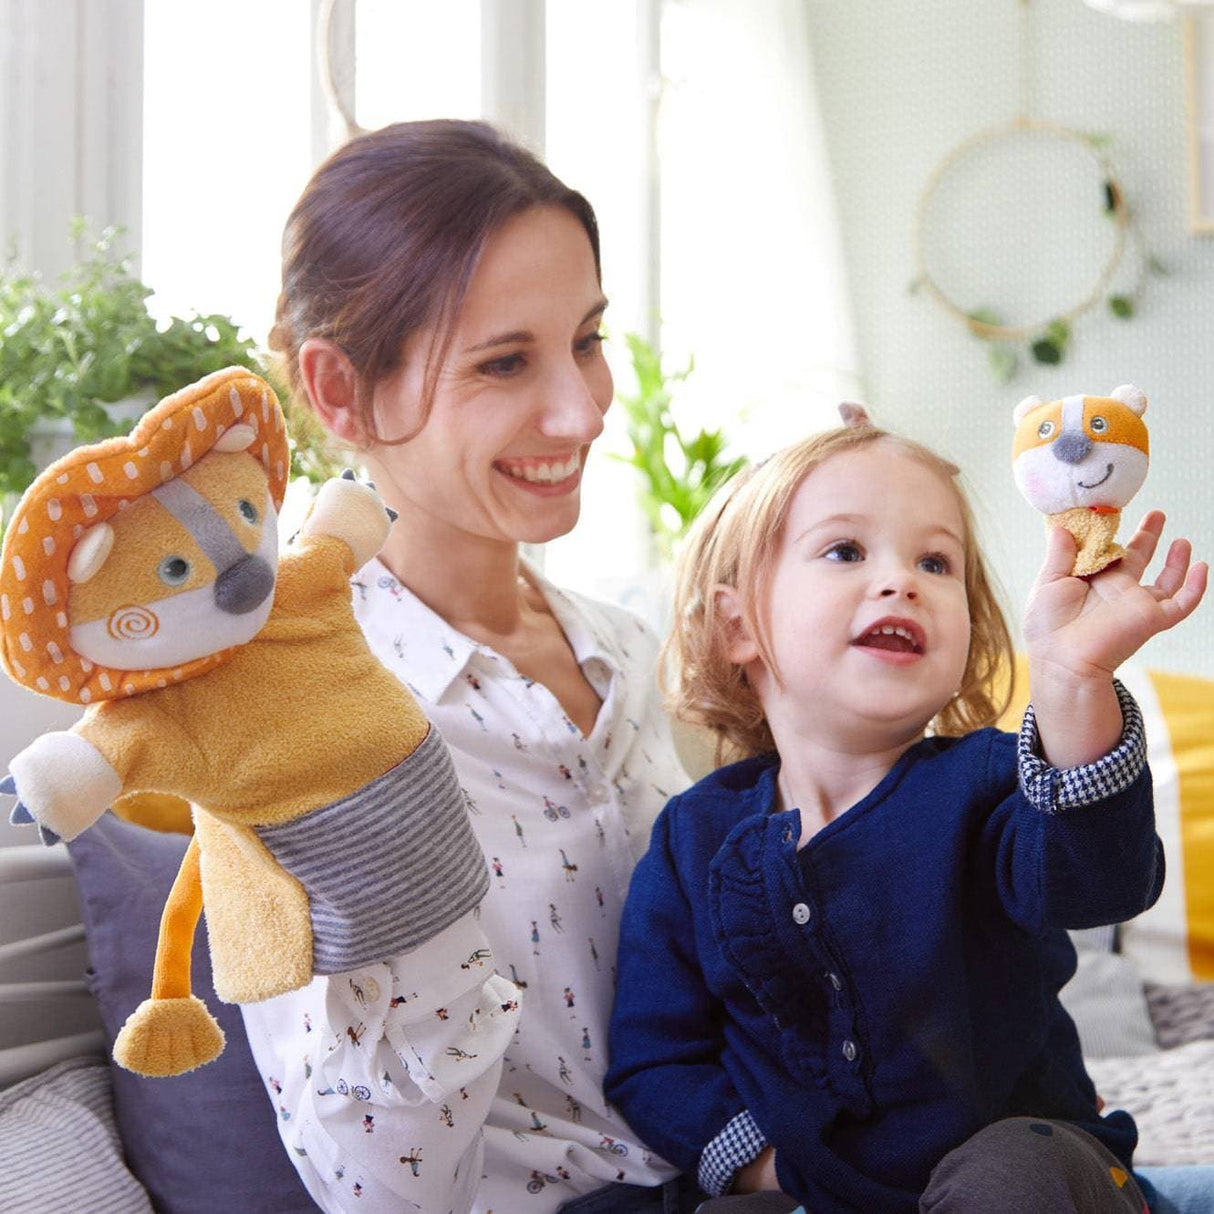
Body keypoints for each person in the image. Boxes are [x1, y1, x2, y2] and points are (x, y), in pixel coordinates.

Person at [239, 119, 709, 1214]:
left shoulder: (623, 649)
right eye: (505, 361)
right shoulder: (298, 726)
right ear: (341, 391)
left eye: (586, 339)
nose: (582, 409)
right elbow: (372, 1189)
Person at [604, 417, 1209, 1214]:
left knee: (1012, 1176)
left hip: (1037, 1173)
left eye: (936, 560)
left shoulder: (992, 780)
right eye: (845, 551)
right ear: (737, 625)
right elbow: (656, 1057)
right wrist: (767, 1170)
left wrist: (1072, 685)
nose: (902, 581)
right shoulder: (692, 839)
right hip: (817, 1192)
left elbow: (1099, 883)